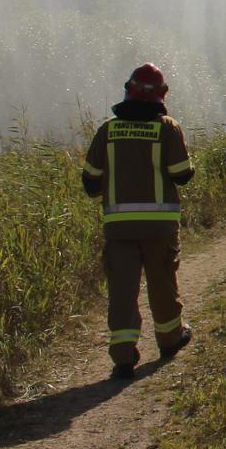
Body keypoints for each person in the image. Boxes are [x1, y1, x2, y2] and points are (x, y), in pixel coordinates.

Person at [81, 64, 195, 379]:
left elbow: (90, 182)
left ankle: (123, 357)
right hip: (159, 228)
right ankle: (170, 340)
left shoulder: (108, 131)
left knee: (122, 291)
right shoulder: (167, 128)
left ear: (128, 91)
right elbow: (182, 174)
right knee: (162, 285)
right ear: (161, 95)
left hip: (119, 229)